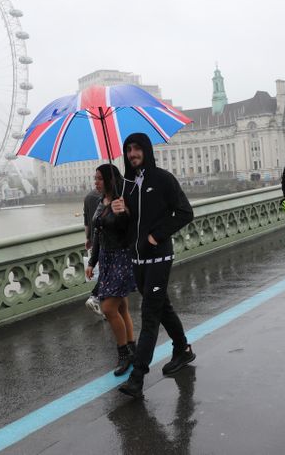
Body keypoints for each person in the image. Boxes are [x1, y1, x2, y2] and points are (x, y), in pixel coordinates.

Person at [114, 132, 195, 399]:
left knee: (149, 315)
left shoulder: (162, 179)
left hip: (159, 257)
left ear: (146, 151)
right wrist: (120, 214)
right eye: (129, 150)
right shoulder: (125, 185)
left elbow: (185, 212)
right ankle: (182, 349)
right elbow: (127, 228)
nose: (133, 154)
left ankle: (137, 377)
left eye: (137, 149)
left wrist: (156, 235)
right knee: (162, 308)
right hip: (137, 259)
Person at [85, 164, 137, 376]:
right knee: (122, 308)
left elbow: (128, 231)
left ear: (109, 179)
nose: (95, 182)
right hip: (106, 260)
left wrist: (123, 213)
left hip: (122, 259)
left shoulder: (121, 202)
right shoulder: (100, 203)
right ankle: (132, 347)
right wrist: (92, 262)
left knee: (108, 309)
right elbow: (98, 235)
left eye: (99, 178)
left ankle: (123, 354)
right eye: (95, 178)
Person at [83, 187, 104, 317]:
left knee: (105, 272)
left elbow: (86, 222)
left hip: (94, 239)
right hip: (106, 240)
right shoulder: (109, 197)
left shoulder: (88, 197)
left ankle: (106, 307)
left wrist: (88, 239)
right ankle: (95, 296)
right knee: (108, 274)